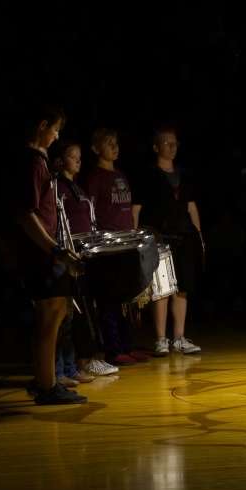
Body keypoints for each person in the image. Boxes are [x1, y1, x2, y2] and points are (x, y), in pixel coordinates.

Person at [10, 105, 86, 405]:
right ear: (42, 126)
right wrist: (54, 249)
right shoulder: (32, 162)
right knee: (50, 315)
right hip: (40, 254)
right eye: (55, 130)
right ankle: (46, 385)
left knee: (53, 315)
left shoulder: (37, 161)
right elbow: (26, 214)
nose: (57, 137)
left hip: (43, 252)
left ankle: (46, 379)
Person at [132, 124, 204, 355]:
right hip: (159, 238)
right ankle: (161, 339)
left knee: (182, 288)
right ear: (156, 147)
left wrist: (199, 236)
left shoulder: (184, 174)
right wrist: (135, 239)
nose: (172, 147)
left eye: (175, 143)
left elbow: (191, 206)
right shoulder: (148, 175)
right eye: (167, 143)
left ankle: (179, 337)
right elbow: (136, 209)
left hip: (185, 237)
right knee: (162, 289)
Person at [79, 128, 148, 365]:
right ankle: (113, 349)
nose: (115, 147)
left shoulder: (120, 174)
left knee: (128, 299)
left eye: (116, 143)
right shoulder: (94, 177)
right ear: (96, 149)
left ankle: (128, 345)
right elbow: (89, 210)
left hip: (127, 244)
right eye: (109, 143)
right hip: (108, 248)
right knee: (109, 299)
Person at [52, 139, 119, 382]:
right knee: (68, 317)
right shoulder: (57, 187)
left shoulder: (76, 188)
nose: (78, 160)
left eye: (79, 156)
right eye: (73, 156)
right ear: (60, 161)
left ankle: (75, 366)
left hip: (82, 256)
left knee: (83, 313)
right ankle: (64, 369)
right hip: (66, 257)